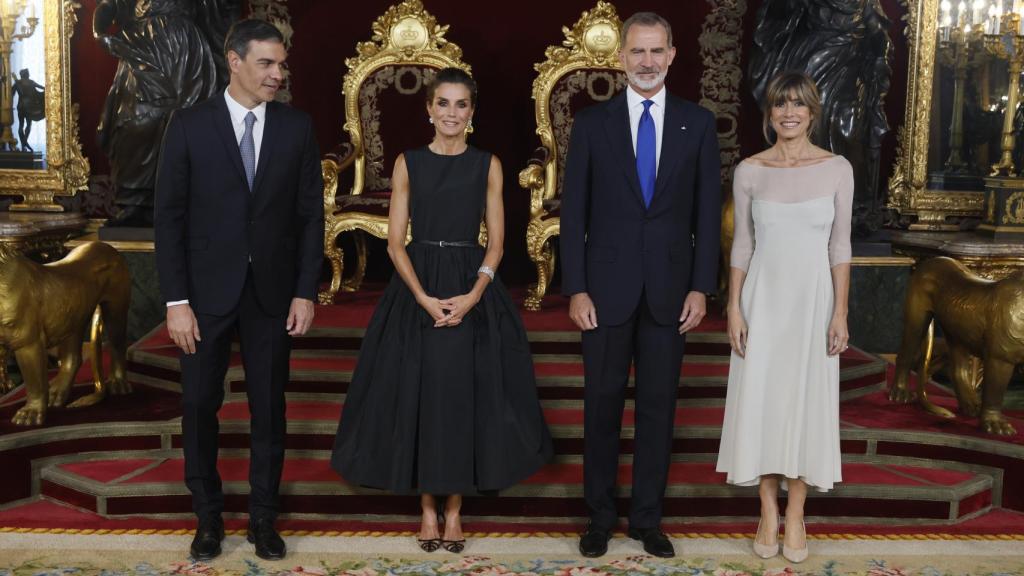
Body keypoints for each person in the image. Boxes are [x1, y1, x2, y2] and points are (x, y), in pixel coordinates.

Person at [331, 67, 552, 555]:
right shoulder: (409, 163)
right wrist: (424, 298)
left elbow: (496, 244)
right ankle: (426, 508)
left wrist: (474, 295)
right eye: (444, 104)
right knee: (424, 394)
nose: (452, 113)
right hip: (418, 286)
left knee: (460, 396)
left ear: (472, 113)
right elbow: (393, 244)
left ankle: (454, 509)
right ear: (428, 109)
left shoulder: (487, 164)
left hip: (472, 284)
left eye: (462, 105)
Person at [154, 18, 323, 562]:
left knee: (269, 410)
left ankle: (263, 519)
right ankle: (207, 519)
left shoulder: (297, 129)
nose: (278, 74)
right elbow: (169, 219)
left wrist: (305, 291)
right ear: (234, 60)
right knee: (200, 404)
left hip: (272, 295)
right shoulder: (188, 125)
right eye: (266, 64)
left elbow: (310, 218)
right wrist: (176, 302)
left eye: (282, 65)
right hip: (202, 298)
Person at [560, 12, 721, 559]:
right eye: (638, 52)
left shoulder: (698, 125)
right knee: (601, 406)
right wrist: (575, 288)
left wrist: (702, 288)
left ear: (672, 54)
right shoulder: (591, 124)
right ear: (622, 57)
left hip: (671, 294)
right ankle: (599, 517)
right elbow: (573, 214)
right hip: (603, 293)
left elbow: (706, 214)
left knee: (658, 408)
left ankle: (648, 519)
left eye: (657, 51)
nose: (647, 62)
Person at [715, 71, 852, 564]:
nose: (789, 112)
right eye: (780, 105)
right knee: (764, 401)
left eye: (798, 104)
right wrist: (734, 306)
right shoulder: (750, 170)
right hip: (763, 300)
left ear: (813, 112)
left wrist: (839, 312)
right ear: (769, 113)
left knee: (805, 401)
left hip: (814, 301)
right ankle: (766, 510)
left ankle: (796, 511)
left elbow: (840, 246)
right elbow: (742, 246)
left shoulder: (837, 168)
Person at [12, 69, 44, 152]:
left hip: (20, 106)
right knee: (28, 125)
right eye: (28, 73)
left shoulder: (17, 82)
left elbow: (11, 94)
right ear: (26, 74)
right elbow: (43, 88)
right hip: (28, 107)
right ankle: (24, 143)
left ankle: (23, 145)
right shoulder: (31, 82)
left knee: (21, 125)